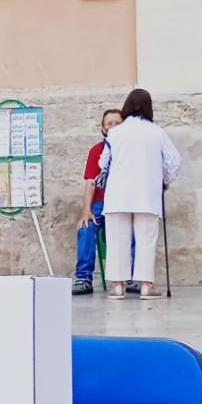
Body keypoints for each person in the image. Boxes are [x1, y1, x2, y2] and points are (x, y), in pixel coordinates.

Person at [98, 88, 182, 300]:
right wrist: (165, 180)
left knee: (117, 240)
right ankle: (146, 285)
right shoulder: (156, 132)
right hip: (146, 193)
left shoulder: (115, 133)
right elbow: (174, 161)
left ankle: (118, 286)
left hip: (118, 195)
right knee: (146, 239)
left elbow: (103, 162)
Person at [72, 108, 124, 295]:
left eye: (117, 123)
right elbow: (90, 183)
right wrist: (86, 210)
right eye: (109, 124)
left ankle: (131, 277)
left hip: (121, 202)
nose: (113, 127)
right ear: (103, 129)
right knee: (85, 229)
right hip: (100, 203)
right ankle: (84, 277)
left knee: (131, 230)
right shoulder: (97, 151)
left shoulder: (129, 150)